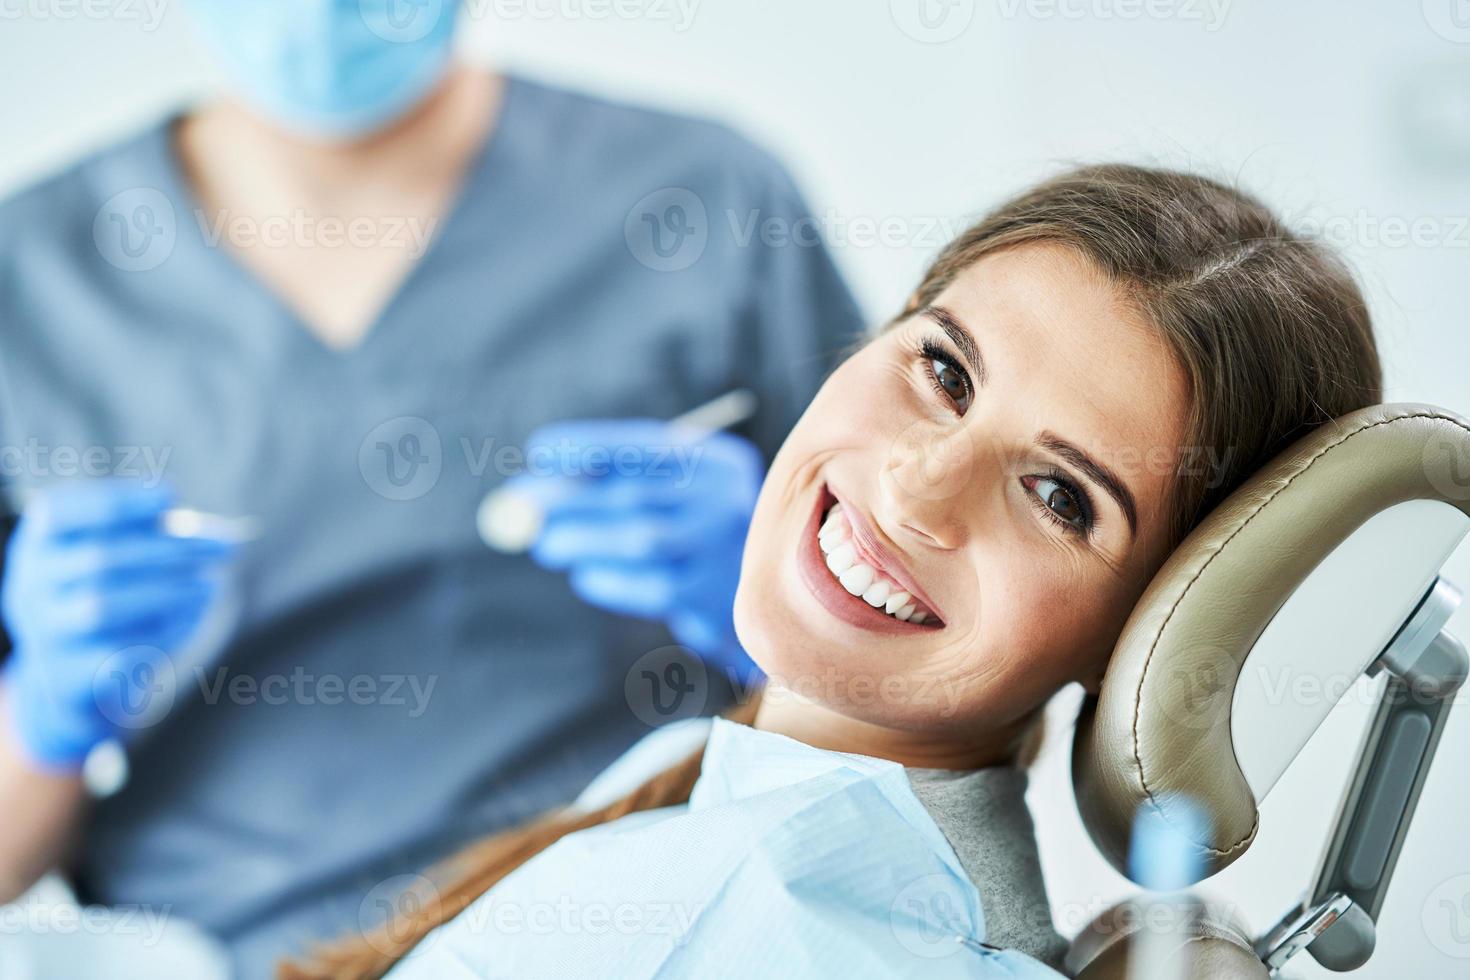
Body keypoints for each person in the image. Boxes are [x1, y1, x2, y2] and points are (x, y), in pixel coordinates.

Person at [280, 163, 1383, 979]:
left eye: (1060, 496)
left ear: (1153, 631)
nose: (916, 487)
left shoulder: (790, 913)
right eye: (945, 368)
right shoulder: (728, 802)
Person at [0, 1, 863, 974]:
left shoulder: (705, 199)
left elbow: (926, 696)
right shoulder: (28, 279)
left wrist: (773, 609)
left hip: (643, 910)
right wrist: (41, 719)